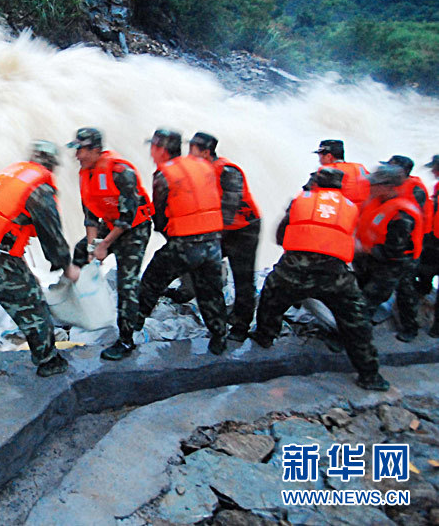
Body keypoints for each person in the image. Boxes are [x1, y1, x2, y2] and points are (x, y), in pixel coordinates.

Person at [248, 168, 389, 391]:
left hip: (294, 271)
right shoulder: (351, 207)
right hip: (334, 275)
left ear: (315, 184)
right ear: (340, 186)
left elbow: (280, 236)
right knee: (356, 321)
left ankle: (265, 336)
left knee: (271, 295)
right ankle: (370, 376)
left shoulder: (300, 201)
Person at [0, 141, 78, 376]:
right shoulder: (40, 189)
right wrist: (65, 265)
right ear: (52, 166)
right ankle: (48, 361)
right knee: (31, 303)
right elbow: (52, 234)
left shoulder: (14, 173)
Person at [136, 129, 229, 354]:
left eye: (153, 148)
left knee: (150, 283)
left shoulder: (164, 174)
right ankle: (219, 337)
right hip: (213, 241)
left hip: (185, 243)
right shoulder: (204, 165)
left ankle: (129, 334)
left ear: (159, 149)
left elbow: (159, 216)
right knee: (210, 291)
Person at [66, 128, 154, 360]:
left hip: (134, 227)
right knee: (79, 250)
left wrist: (104, 245)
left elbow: (127, 217)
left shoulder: (120, 172)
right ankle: (77, 303)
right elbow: (90, 215)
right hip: (109, 223)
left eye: (81, 151)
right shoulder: (85, 173)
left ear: (96, 150)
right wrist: (93, 244)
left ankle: (126, 340)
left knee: (127, 283)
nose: (77, 156)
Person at [187, 132, 261, 342]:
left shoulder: (228, 171)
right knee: (195, 263)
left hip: (243, 230)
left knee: (243, 277)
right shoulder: (202, 171)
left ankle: (241, 325)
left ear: (205, 152)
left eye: (193, 149)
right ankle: (194, 297)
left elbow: (229, 209)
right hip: (220, 229)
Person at [354, 164, 424, 341]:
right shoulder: (376, 201)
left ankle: (409, 329)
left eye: (376, 184)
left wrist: (362, 249)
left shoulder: (401, 215)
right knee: (364, 291)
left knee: (400, 293)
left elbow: (393, 251)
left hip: (397, 262)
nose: (371, 187)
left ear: (389, 187)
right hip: (372, 258)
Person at [416, 155, 439, 336]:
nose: (432, 172)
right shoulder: (437, 188)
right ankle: (423, 292)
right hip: (433, 241)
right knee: (423, 271)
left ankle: (436, 329)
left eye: (435, 168)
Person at [307, 139, 369, 205]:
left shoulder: (325, 172)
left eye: (320, 157)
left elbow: (308, 195)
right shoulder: (360, 168)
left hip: (341, 212)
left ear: (328, 156)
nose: (319, 161)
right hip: (365, 212)